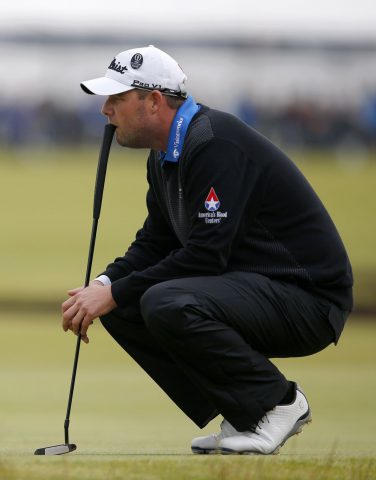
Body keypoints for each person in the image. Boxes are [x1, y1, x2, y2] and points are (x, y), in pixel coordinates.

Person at [62, 45, 353, 455]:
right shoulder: (165, 155)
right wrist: (104, 285)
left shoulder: (214, 143)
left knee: (165, 300)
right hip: (255, 290)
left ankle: (279, 403)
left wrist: (114, 292)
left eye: (117, 98)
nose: (105, 110)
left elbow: (205, 256)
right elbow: (155, 242)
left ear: (154, 101)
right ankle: (245, 413)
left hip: (309, 299)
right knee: (125, 307)